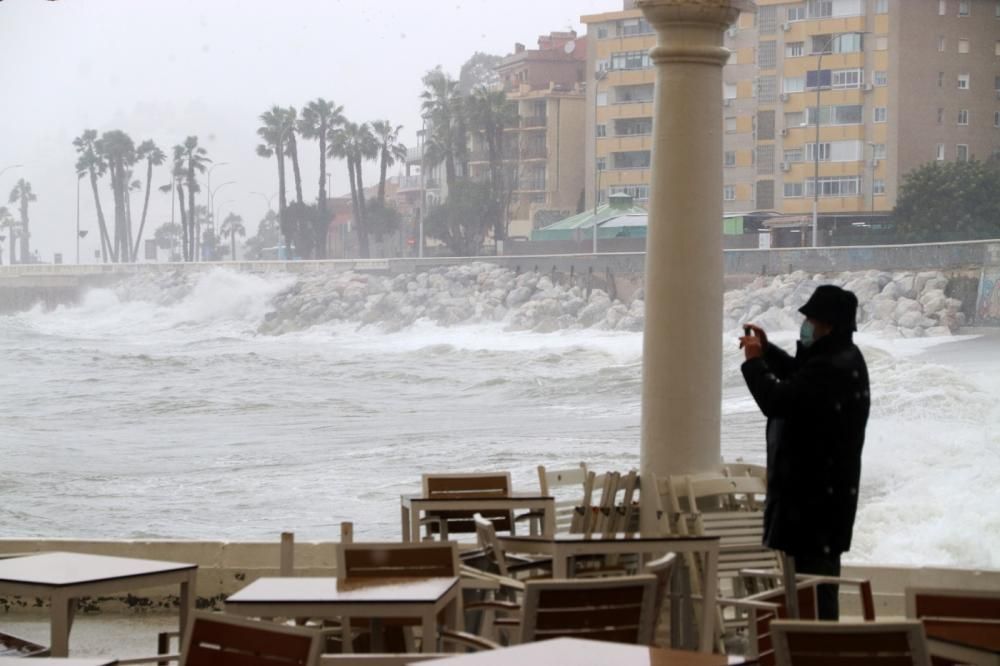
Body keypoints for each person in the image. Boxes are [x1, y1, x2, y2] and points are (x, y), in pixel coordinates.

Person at [739, 285, 870, 620]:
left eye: (811, 318)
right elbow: (800, 378)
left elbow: (777, 400)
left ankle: (814, 652)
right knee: (814, 594)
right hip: (820, 507)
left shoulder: (832, 368)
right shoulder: (838, 360)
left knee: (813, 602)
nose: (806, 324)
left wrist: (755, 363)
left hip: (814, 508)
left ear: (828, 324)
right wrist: (768, 352)